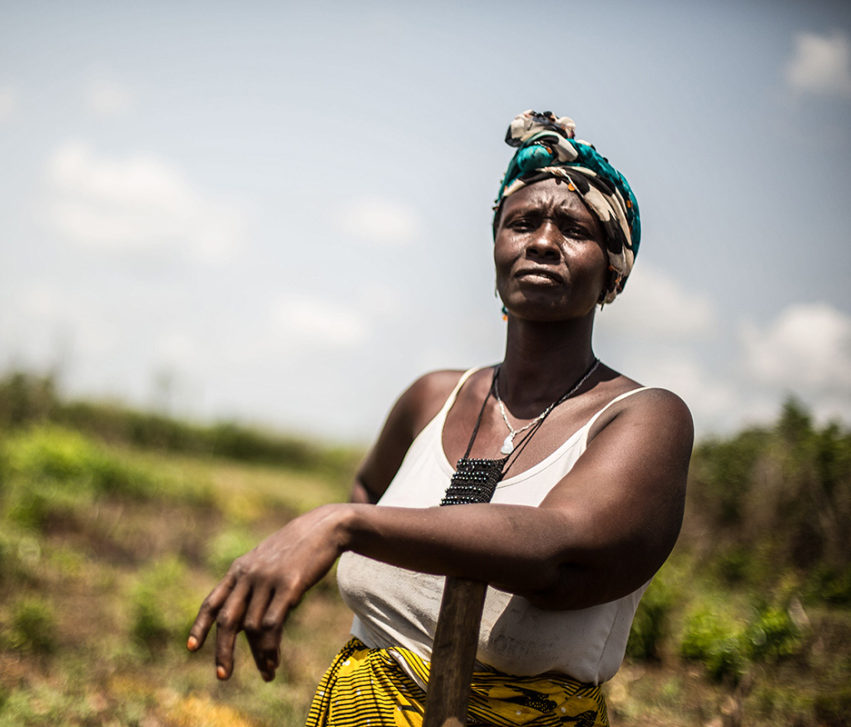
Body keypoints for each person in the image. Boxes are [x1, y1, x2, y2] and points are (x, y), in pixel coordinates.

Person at [187, 110, 694, 726]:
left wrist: (341, 525)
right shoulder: (434, 399)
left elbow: (556, 553)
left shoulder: (642, 419)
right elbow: (372, 489)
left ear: (613, 268)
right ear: (497, 246)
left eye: (575, 229)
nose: (541, 242)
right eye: (522, 223)